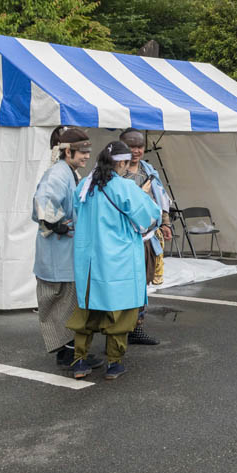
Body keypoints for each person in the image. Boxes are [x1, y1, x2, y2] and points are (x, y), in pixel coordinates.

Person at [67, 141, 162, 379]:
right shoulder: (124, 187)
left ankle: (79, 361)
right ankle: (114, 363)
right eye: (127, 162)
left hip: (88, 260)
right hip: (118, 260)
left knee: (87, 311)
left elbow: (74, 211)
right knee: (119, 313)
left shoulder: (85, 186)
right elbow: (150, 215)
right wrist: (145, 195)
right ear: (120, 162)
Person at [31, 127, 91, 366]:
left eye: (88, 151)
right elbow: (43, 202)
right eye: (82, 152)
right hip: (59, 251)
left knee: (66, 303)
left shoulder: (68, 171)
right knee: (61, 302)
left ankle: (68, 351)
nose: (86, 156)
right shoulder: (58, 174)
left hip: (64, 252)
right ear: (68, 151)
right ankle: (68, 353)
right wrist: (58, 226)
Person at [119, 129, 173, 345]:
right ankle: (117, 331)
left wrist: (166, 223)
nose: (136, 151)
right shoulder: (114, 174)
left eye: (140, 146)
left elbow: (161, 198)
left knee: (142, 283)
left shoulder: (149, 170)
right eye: (131, 146)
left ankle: (136, 327)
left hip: (146, 238)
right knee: (123, 283)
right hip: (123, 239)